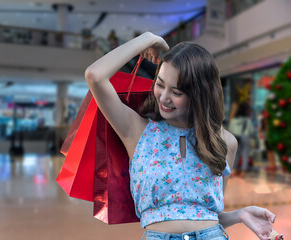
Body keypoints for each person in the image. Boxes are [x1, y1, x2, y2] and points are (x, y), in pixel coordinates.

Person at [85, 32, 276, 240]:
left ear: (199, 95)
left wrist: (240, 214)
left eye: (176, 92)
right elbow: (95, 75)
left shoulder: (224, 141)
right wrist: (148, 39)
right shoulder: (138, 130)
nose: (164, 98)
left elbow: (211, 214)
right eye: (160, 84)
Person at [228, 102, 254, 177]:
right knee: (245, 154)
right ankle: (243, 171)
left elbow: (230, 129)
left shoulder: (234, 120)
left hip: (236, 137)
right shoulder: (247, 120)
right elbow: (251, 130)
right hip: (245, 137)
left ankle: (233, 170)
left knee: (236, 154)